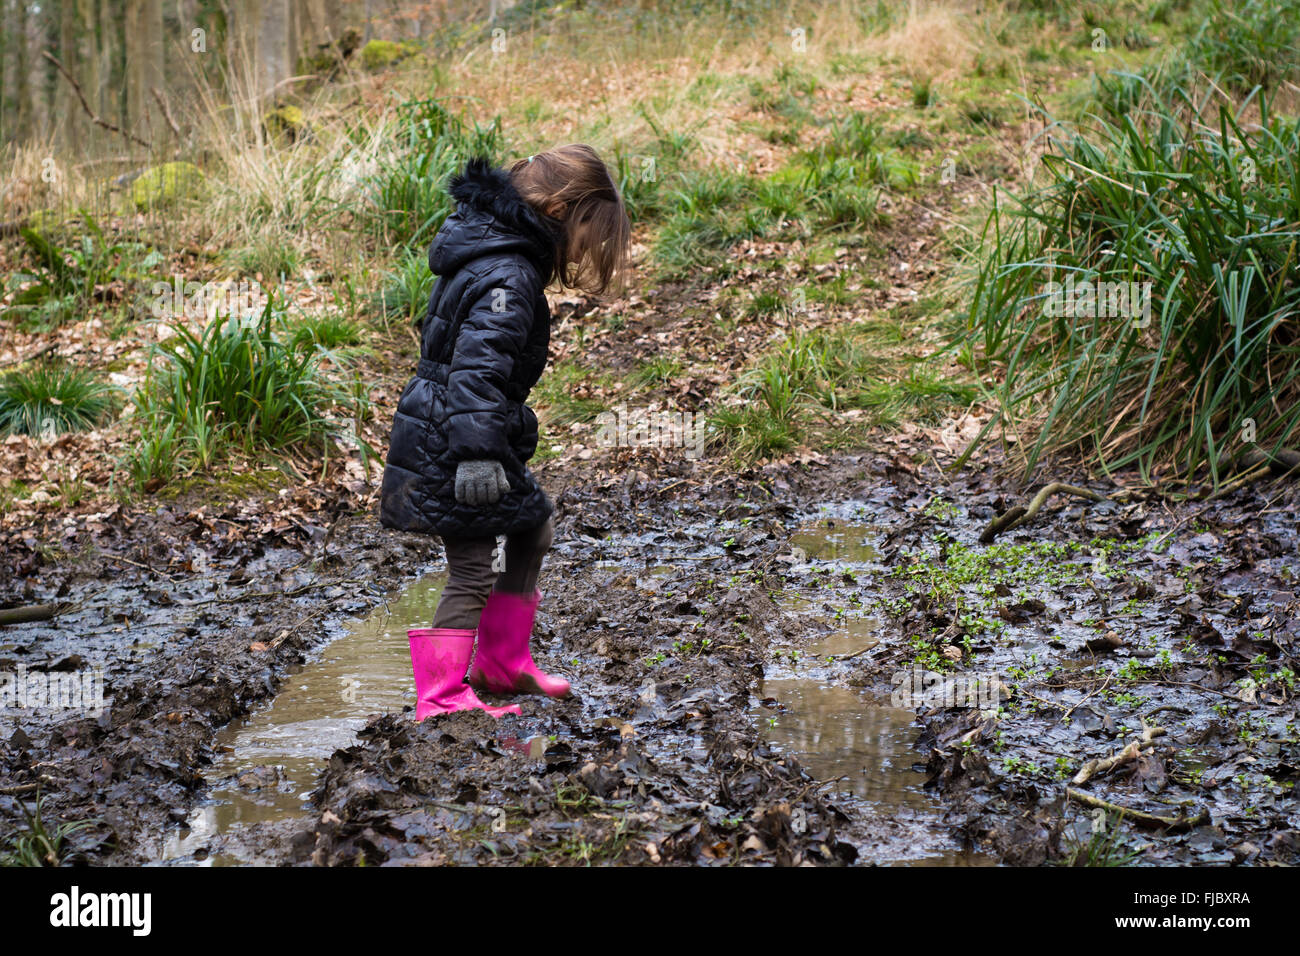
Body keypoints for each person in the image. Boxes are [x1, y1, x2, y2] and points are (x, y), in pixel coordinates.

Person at [380, 146, 631, 720]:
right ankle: (441, 698)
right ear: (561, 211)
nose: (587, 248)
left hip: (464, 426)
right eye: (590, 231)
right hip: (458, 437)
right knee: (474, 566)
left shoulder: (494, 252)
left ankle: (500, 662)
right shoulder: (510, 276)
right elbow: (477, 370)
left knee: (530, 527)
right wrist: (476, 456)